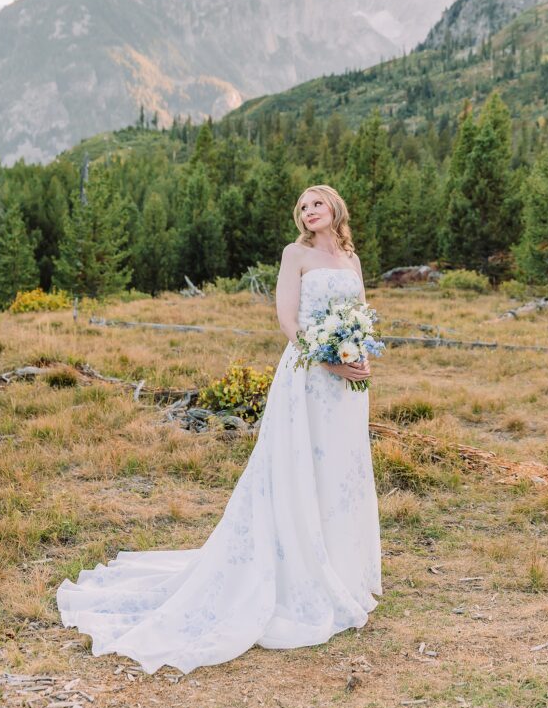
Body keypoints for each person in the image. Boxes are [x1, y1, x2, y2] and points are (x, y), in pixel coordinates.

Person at [57, 184, 383, 675]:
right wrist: (328, 361)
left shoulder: (352, 261)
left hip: (345, 389)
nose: (309, 211)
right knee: (298, 470)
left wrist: (358, 358)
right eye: (302, 207)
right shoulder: (294, 254)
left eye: (317, 203)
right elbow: (289, 321)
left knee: (341, 473)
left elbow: (359, 319)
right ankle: (298, 569)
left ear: (335, 208)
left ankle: (339, 568)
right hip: (308, 379)